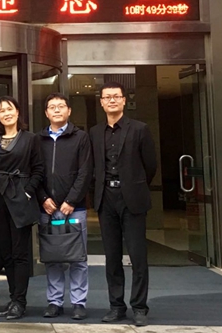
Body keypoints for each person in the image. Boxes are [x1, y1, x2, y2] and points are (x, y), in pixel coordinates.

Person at [89, 82, 157, 327]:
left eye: (116, 96)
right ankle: (116, 306)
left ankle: (139, 307)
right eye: (107, 97)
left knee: (138, 256)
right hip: (106, 198)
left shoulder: (140, 129)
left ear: (124, 100)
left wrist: (134, 186)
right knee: (112, 256)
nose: (112, 100)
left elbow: (150, 165)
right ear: (101, 102)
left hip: (132, 198)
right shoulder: (95, 132)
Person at [0, 95, 44, 320]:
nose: (6, 114)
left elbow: (38, 169)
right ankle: (12, 298)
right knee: (6, 253)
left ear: (18, 112)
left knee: (20, 254)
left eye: (9, 109)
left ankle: (20, 301)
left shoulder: (30, 139)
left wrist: (28, 191)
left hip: (21, 199)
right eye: (2, 111)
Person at [36, 93, 92, 320]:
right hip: (47, 209)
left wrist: (71, 200)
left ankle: (78, 302)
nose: (57, 110)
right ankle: (54, 301)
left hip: (74, 209)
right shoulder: (38, 139)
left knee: (78, 258)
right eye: (52, 107)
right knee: (53, 257)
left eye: (61, 106)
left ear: (69, 111)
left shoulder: (81, 137)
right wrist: (42, 198)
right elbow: (34, 172)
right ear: (46, 113)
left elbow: (85, 172)